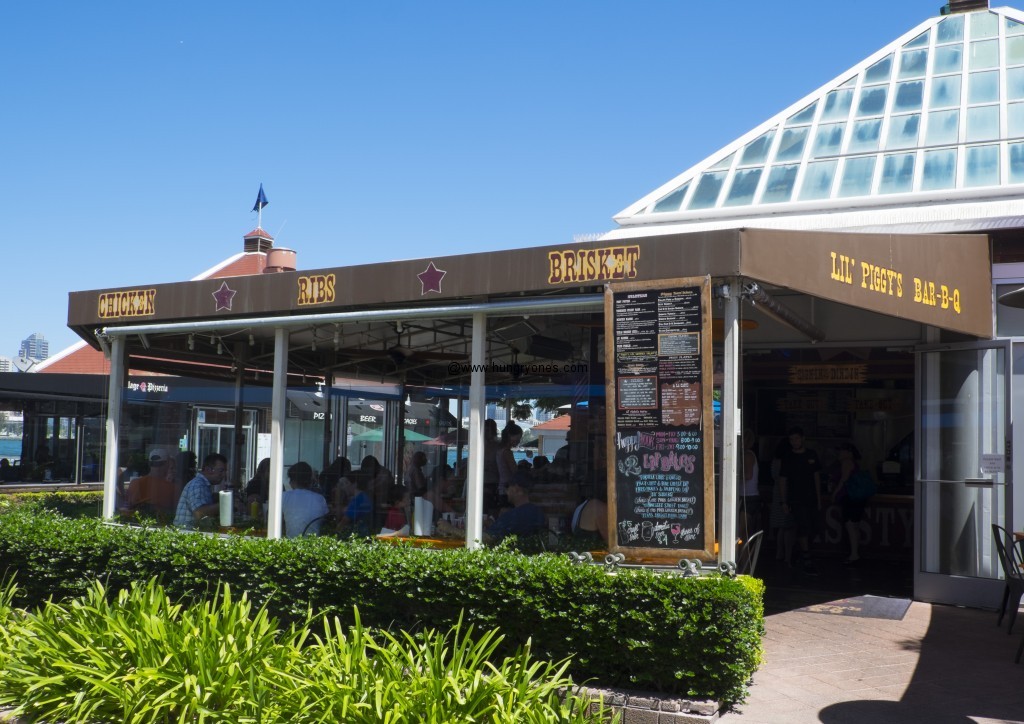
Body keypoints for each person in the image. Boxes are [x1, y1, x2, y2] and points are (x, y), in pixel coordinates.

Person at [777, 427, 822, 575]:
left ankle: (801, 551)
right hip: (795, 499)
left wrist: (819, 498)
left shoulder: (811, 455)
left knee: (814, 528)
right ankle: (806, 558)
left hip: (811, 498)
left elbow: (816, 477)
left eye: (796, 438)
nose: (794, 442)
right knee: (803, 527)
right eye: (791, 439)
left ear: (803, 438)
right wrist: (784, 501)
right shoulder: (788, 457)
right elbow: (783, 480)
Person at [828, 442, 871, 565]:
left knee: (851, 525)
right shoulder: (854, 464)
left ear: (848, 453)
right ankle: (855, 553)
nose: (839, 453)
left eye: (841, 451)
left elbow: (843, 479)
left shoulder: (846, 463)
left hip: (849, 497)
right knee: (854, 525)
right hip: (856, 498)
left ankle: (854, 554)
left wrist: (834, 493)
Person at [485, 470, 546, 543]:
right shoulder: (538, 513)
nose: (506, 491)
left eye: (508, 486)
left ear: (516, 489)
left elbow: (487, 537)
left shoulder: (513, 516)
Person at [172, 452, 227, 528]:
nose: (224, 475)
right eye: (221, 471)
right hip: (187, 534)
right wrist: (226, 504)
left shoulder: (202, 485)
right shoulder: (197, 484)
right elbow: (199, 513)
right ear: (208, 469)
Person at [124, 448, 179, 519]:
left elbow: (129, 506)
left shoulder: (135, 483)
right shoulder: (172, 488)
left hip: (137, 524)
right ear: (167, 464)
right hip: (160, 526)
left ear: (149, 464)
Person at [282, 461, 329, 538]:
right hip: (313, 544)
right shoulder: (320, 499)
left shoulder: (284, 497)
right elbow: (325, 521)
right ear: (310, 480)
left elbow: (272, 519)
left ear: (292, 480)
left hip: (290, 544)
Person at [739, 428, 761, 540]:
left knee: (742, 532)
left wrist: (733, 475)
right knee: (745, 532)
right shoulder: (746, 454)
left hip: (748, 497)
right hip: (748, 496)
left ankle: (743, 557)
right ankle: (745, 557)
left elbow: (748, 475)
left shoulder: (747, 455)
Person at [496, 422, 524, 506]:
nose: (518, 441)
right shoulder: (507, 452)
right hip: (508, 489)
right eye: (518, 438)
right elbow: (514, 471)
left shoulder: (500, 450)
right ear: (510, 436)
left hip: (502, 487)